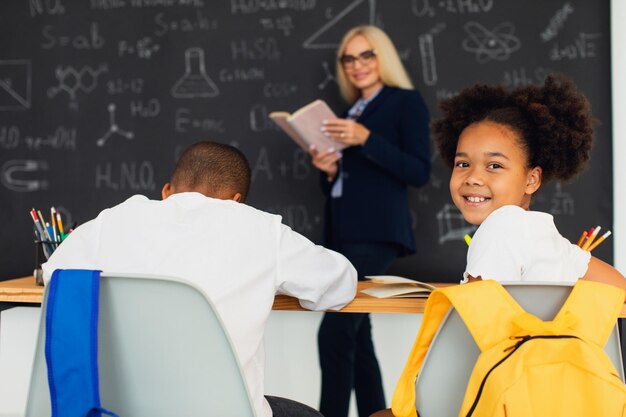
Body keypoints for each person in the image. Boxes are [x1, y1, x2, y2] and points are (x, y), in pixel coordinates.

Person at [42, 141, 358, 417]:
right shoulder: (260, 228)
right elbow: (339, 285)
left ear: (167, 191)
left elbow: (54, 274)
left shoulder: (115, 219)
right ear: (237, 201)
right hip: (226, 410)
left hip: (119, 407)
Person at [308, 25, 431, 417]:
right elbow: (349, 184)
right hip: (343, 233)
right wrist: (327, 171)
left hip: (375, 233)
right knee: (358, 337)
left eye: (366, 55)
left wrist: (366, 139)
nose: (357, 65)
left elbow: (418, 171)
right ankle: (377, 413)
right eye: (349, 58)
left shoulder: (404, 103)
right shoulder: (347, 113)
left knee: (336, 331)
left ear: (383, 57)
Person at [432, 73, 626, 289]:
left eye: (494, 165)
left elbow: (477, 313)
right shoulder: (545, 238)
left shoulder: (500, 225)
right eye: (463, 164)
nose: (473, 178)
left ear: (532, 180)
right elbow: (620, 287)